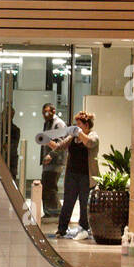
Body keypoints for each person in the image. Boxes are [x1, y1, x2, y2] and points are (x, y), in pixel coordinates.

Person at [51, 110, 99, 240]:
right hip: (72, 174)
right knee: (68, 202)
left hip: (86, 176)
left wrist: (79, 133)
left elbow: (90, 143)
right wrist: (46, 141)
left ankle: (84, 229)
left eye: (79, 124)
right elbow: (59, 146)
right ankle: (61, 229)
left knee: (84, 204)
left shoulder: (93, 136)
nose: (76, 127)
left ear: (86, 125)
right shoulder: (73, 137)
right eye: (76, 124)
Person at [40, 103, 66, 218]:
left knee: (50, 187)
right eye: (43, 113)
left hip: (55, 161)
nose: (44, 115)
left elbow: (61, 144)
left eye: (46, 112)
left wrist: (51, 155)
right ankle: (51, 211)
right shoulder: (48, 123)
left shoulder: (58, 124)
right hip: (49, 161)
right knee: (47, 186)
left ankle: (56, 212)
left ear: (53, 111)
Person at [0, 105, 21, 181]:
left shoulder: (14, 130)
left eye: (6, 114)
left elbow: (11, 147)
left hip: (9, 164)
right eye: (3, 113)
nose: (3, 116)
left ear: (11, 116)